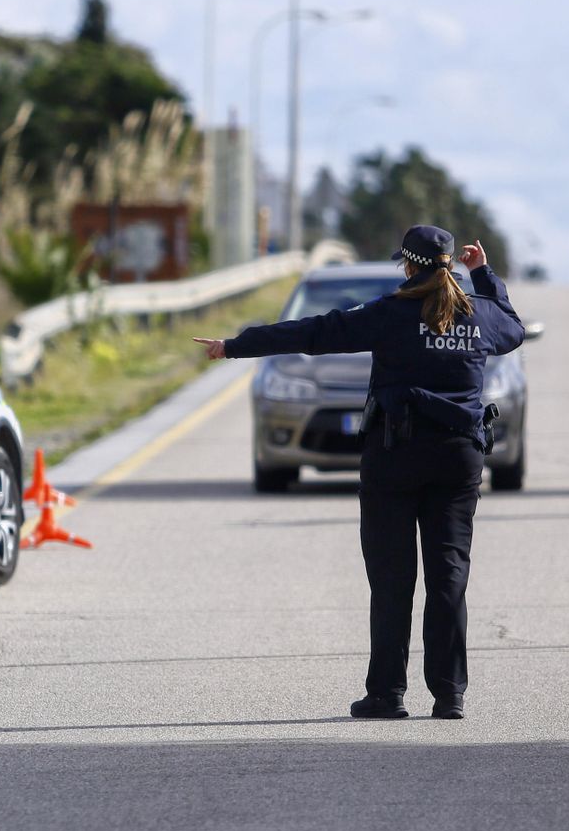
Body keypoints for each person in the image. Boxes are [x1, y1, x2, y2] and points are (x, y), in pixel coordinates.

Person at [194, 226, 525, 720]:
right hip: (458, 458)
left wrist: (234, 346)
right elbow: (514, 328)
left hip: (396, 455)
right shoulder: (477, 313)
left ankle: (387, 695)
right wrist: (484, 275)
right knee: (448, 575)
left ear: (408, 266)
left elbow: (313, 332)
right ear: (451, 264)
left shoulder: (389, 313)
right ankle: (449, 694)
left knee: (392, 579)